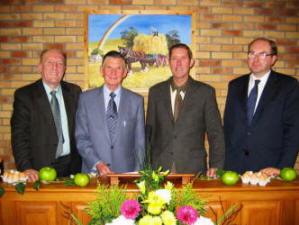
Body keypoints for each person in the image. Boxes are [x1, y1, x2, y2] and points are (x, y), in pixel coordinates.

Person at [146, 43, 225, 177]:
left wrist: (216, 165)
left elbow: (215, 133)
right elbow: (149, 134)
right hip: (159, 168)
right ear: (168, 62)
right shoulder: (155, 92)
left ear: (191, 62)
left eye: (183, 58)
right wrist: (146, 166)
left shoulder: (205, 93)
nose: (178, 63)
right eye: (174, 58)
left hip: (193, 168)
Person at [224, 37, 299, 176]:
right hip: (235, 167)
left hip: (269, 167)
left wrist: (282, 168)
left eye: (263, 54)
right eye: (252, 53)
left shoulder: (288, 86)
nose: (256, 59)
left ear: (273, 59)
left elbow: (293, 131)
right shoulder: (235, 85)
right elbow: (228, 128)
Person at [11, 48, 82, 182]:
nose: (55, 67)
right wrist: (26, 167)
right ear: (40, 67)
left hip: (72, 168)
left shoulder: (74, 92)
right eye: (50, 62)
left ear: (64, 68)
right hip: (38, 169)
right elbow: (19, 136)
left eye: (60, 63)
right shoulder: (25, 95)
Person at [75, 51, 145, 175]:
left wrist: (137, 174)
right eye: (109, 68)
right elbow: (81, 138)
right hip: (93, 174)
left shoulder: (136, 101)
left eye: (118, 68)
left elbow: (140, 143)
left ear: (125, 72)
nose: (113, 73)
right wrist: (97, 163)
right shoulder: (85, 99)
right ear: (101, 70)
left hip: (126, 175)